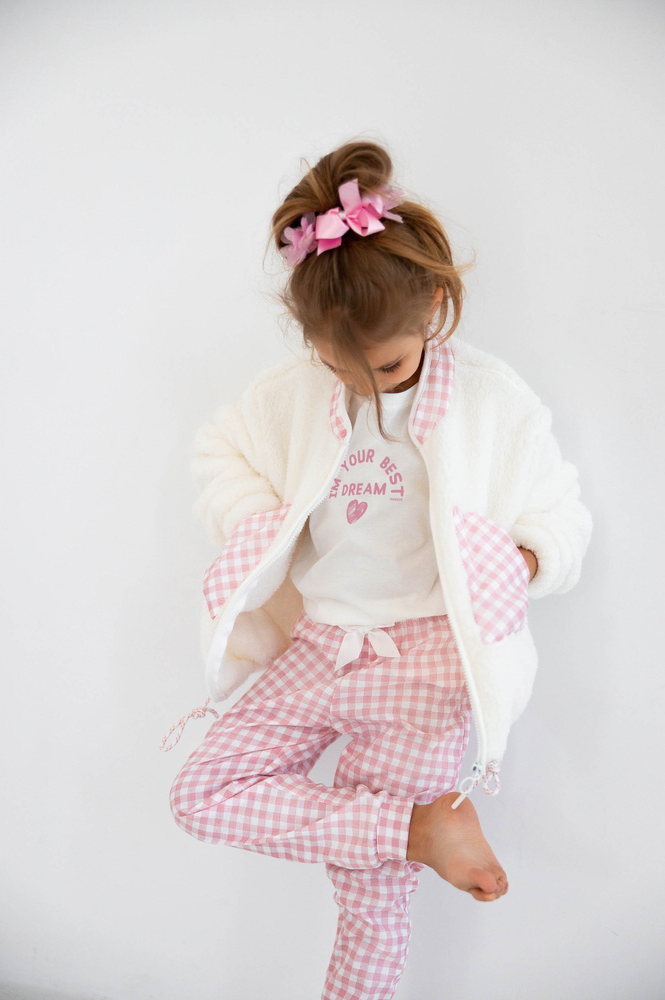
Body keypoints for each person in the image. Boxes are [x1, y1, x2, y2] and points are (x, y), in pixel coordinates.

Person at [166, 139, 593, 1000]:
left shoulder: (489, 400)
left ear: (435, 305)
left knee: (369, 904)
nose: (364, 385)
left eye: (388, 366)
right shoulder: (292, 392)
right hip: (321, 646)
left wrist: (517, 560)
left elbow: (561, 515)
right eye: (339, 368)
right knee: (201, 792)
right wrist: (254, 524)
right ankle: (413, 831)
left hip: (427, 664)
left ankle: (399, 845)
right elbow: (221, 449)